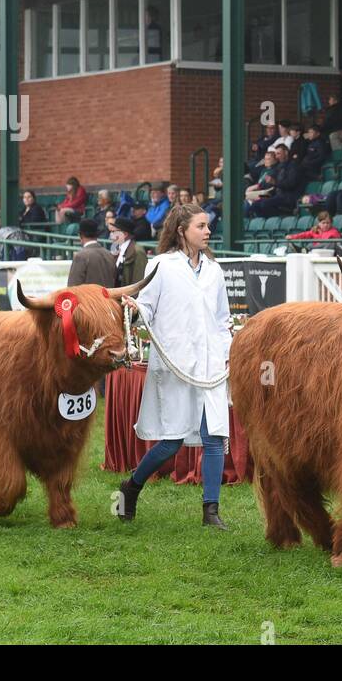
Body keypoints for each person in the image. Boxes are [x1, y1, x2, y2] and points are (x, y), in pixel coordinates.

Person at [118, 204, 233, 527]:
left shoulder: (214, 270)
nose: (208, 231)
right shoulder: (161, 266)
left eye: (208, 226)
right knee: (172, 440)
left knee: (214, 437)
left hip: (210, 364)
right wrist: (134, 308)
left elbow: (222, 319)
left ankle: (211, 510)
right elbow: (147, 307)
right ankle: (132, 486)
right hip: (175, 361)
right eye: (201, 226)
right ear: (182, 230)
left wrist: (228, 353)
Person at [65, 218, 118, 287]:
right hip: (108, 297)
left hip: (88, 297)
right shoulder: (109, 255)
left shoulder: (80, 256)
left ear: (80, 235)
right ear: (97, 235)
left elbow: (73, 287)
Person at [111, 217, 147, 285]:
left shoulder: (137, 251)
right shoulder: (117, 248)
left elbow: (139, 281)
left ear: (125, 234)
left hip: (127, 294)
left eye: (114, 232)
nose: (111, 236)